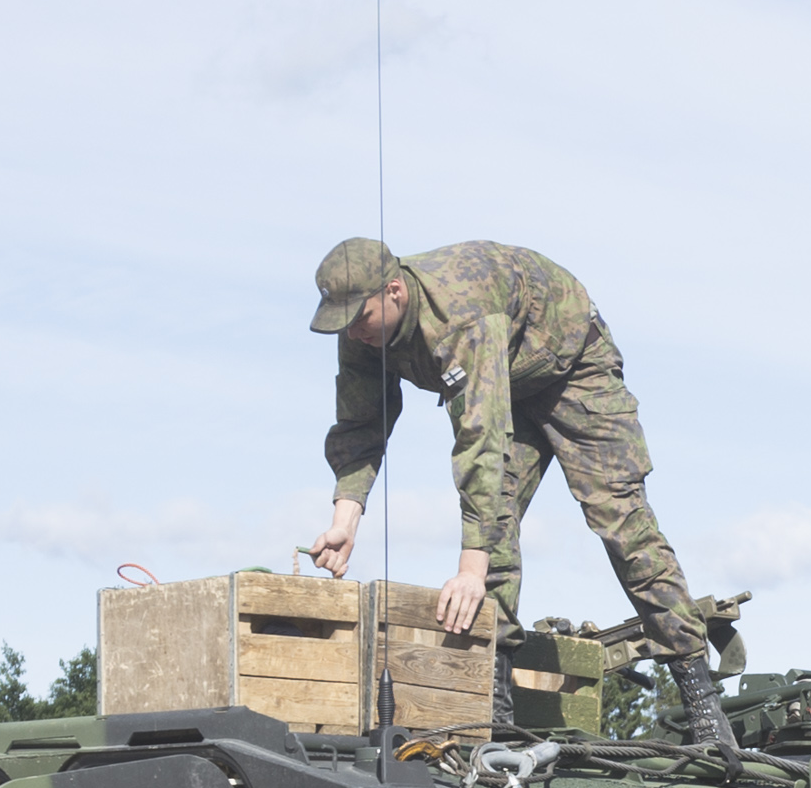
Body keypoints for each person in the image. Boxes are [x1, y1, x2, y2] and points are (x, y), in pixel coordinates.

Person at [299, 236, 740, 755]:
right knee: (496, 527)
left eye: (359, 317)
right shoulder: (361, 333)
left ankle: (699, 696)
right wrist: (345, 518)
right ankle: (497, 712)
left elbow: (480, 441)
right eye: (342, 320)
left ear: (394, 291)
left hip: (572, 363)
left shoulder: (458, 313)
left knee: (620, 520)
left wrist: (468, 569)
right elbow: (360, 424)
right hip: (507, 376)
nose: (352, 331)